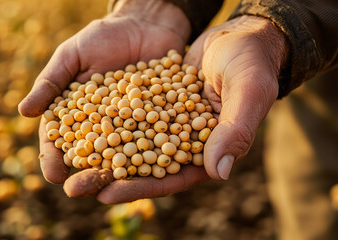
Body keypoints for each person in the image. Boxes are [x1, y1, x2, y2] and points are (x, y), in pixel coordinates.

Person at [18, 0, 338, 239]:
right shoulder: (140, 111)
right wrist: (155, 7)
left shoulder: (167, 112)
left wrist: (275, 29)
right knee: (313, 204)